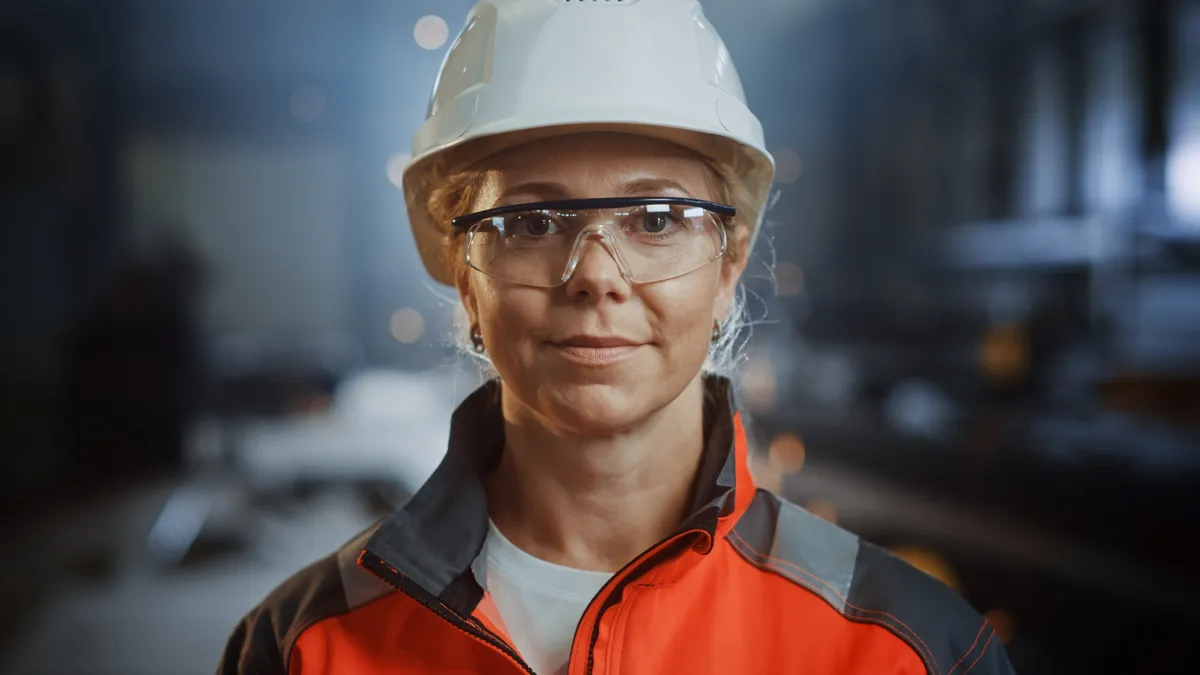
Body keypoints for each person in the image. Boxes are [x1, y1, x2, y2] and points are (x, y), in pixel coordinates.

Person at [217, 1, 1016, 673]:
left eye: (657, 219)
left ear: (728, 265)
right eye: (530, 220)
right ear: (465, 275)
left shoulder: (906, 651)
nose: (595, 275)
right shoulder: (305, 646)